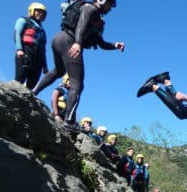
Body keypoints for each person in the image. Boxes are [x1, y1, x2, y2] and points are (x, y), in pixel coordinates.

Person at [32, 0, 125, 130]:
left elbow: (101, 43)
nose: (110, 8)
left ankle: (33, 93)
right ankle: (69, 121)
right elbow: (81, 24)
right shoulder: (90, 9)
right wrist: (78, 43)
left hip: (59, 39)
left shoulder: (98, 19)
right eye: (110, 4)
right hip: (70, 41)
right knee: (77, 83)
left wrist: (115, 45)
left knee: (58, 71)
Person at [14, 2, 48, 90]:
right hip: (26, 50)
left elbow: (43, 49)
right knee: (21, 76)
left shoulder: (42, 30)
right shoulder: (23, 20)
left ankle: (26, 100)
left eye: (43, 13)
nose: (41, 14)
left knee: (33, 81)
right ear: (32, 11)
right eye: (38, 11)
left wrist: (45, 66)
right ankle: (13, 94)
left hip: (38, 56)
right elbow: (17, 33)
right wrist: (19, 49)